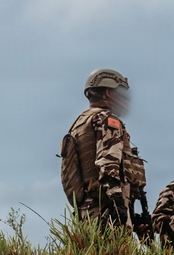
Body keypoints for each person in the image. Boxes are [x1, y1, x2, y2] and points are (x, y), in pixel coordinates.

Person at [59, 68, 149, 232]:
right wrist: (118, 204)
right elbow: (108, 163)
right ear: (108, 93)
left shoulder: (79, 123)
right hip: (107, 211)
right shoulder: (107, 119)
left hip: (87, 212)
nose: (125, 102)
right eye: (121, 95)